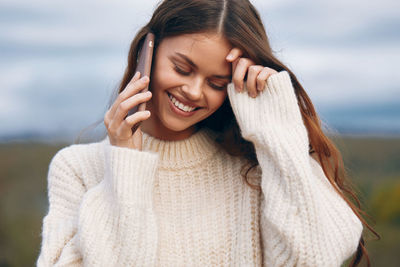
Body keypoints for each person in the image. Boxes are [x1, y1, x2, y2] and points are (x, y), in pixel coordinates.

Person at [36, 0, 377, 266]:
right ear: (147, 52)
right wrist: (124, 162)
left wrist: (277, 129)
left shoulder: (257, 168)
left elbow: (313, 260)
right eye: (182, 68)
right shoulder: (77, 169)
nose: (195, 91)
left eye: (217, 83)